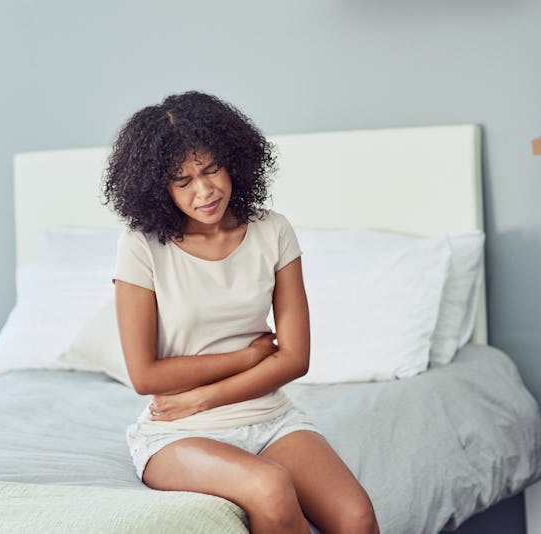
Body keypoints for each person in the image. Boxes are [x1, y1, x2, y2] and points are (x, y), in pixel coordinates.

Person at [103, 91, 379, 533]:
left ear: (234, 160)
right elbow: (145, 376)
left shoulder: (273, 230)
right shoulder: (140, 247)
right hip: (178, 432)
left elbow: (294, 358)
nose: (205, 190)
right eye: (183, 181)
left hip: (270, 416)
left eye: (212, 169)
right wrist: (248, 357)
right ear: (158, 187)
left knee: (356, 516)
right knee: (270, 487)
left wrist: (204, 396)